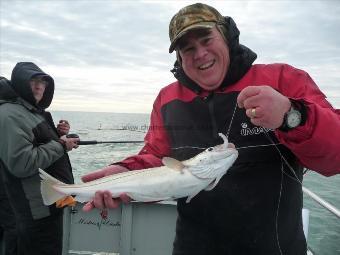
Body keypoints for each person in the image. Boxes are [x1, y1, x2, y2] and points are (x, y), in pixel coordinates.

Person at [81, 3, 340, 255]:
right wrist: (124, 172)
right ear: (180, 58)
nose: (200, 53)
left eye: (206, 39)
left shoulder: (283, 79)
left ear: (226, 36)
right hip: (192, 246)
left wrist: (290, 114)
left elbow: (335, 158)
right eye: (188, 48)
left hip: (274, 247)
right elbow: (157, 157)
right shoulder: (167, 98)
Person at [0, 63, 79, 255]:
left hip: (47, 208)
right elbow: (23, 162)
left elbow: (39, 146)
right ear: (20, 84)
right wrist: (60, 145)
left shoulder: (28, 111)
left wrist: (58, 135)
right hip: (32, 215)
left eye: (42, 82)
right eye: (33, 81)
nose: (38, 86)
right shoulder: (10, 114)